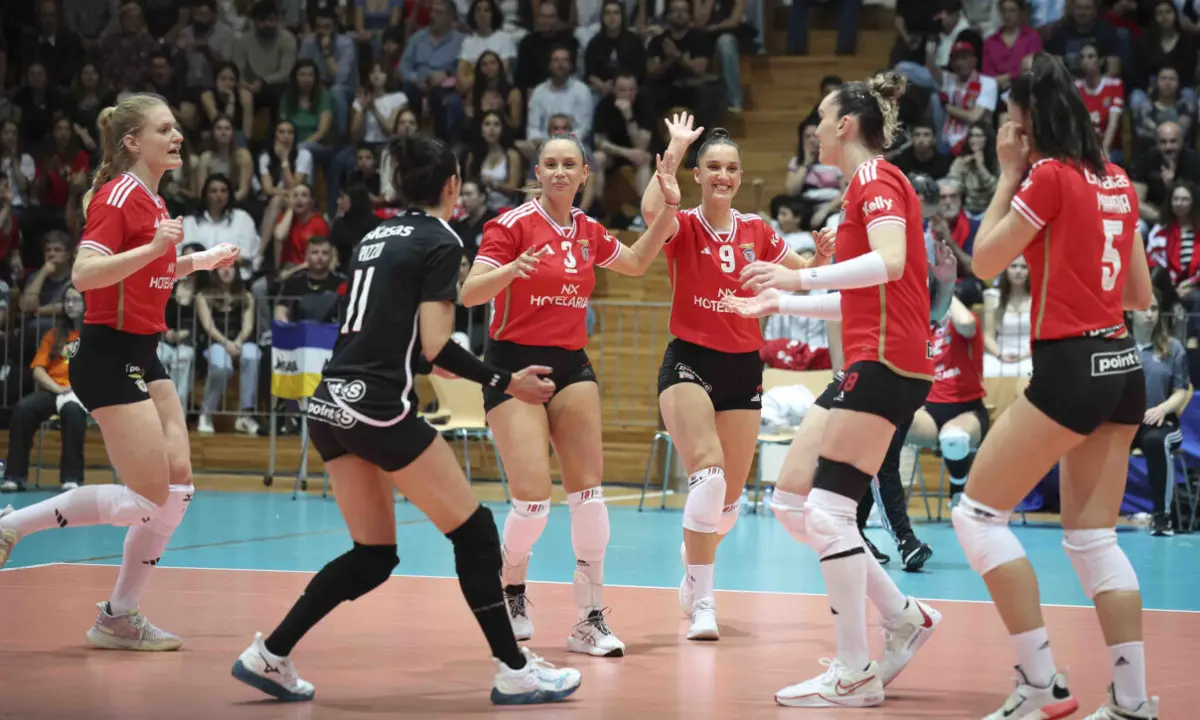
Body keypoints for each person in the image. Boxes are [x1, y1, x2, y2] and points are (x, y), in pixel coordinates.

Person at [230, 132, 582, 705]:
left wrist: (423, 356)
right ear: (452, 187)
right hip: (375, 406)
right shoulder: (442, 239)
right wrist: (504, 380)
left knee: (374, 555)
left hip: (329, 402)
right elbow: (440, 346)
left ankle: (269, 654)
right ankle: (514, 668)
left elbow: (393, 327)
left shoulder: (375, 234)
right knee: (473, 531)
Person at [950, 53, 1157, 720]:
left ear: (1028, 122)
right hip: (1123, 366)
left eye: (1011, 122)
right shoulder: (1119, 181)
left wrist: (1008, 174)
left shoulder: (1047, 175)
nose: (1008, 132)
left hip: (1070, 368)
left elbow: (982, 262)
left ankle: (1040, 683)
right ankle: (1130, 701)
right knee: (1095, 541)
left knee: (977, 517)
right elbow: (1140, 294)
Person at [0, 94, 239, 649]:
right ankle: (13, 523)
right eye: (164, 128)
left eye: (178, 126)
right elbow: (85, 275)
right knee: (150, 496)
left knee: (178, 488)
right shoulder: (119, 195)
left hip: (143, 352)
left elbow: (145, 270)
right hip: (107, 355)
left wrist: (196, 262)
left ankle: (118, 616)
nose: (177, 135)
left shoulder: (155, 200)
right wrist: (157, 246)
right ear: (132, 142)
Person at [731, 71, 938, 707]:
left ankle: (855, 670)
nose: (815, 130)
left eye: (820, 120)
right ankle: (901, 616)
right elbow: (862, 297)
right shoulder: (865, 186)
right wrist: (781, 298)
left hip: (886, 363)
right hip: (877, 357)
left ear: (845, 125)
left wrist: (797, 280)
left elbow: (891, 261)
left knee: (827, 511)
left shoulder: (875, 179)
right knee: (797, 503)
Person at [458, 132, 682, 657]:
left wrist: (670, 207)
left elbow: (633, 263)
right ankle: (511, 583)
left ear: (585, 174)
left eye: (570, 164)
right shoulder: (510, 225)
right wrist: (511, 270)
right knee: (534, 503)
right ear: (537, 173)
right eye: (550, 164)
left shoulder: (587, 230)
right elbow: (469, 293)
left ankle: (590, 619)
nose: (559, 172)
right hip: (513, 365)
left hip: (571, 365)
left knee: (589, 496)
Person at [638, 112, 834, 641]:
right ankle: (704, 600)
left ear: (740, 176)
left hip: (744, 365)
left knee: (726, 508)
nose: (723, 175)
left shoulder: (757, 230)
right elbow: (651, 210)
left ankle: (692, 558)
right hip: (688, 362)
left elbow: (796, 275)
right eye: (713, 167)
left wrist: (824, 258)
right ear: (698, 175)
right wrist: (676, 151)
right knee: (707, 473)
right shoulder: (682, 222)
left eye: (731, 168)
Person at [908, 295, 988, 510]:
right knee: (888, 421)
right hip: (930, 413)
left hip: (968, 410)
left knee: (953, 437)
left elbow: (966, 323)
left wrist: (946, 290)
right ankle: (879, 502)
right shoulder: (921, 329)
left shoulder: (961, 324)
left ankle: (958, 489)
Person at [1130, 289, 1191, 537]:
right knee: (1104, 441)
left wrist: (1161, 409)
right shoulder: (1118, 346)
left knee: (1157, 441)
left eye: (1154, 309)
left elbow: (1181, 391)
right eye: (1143, 308)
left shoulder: (1173, 348)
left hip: (1162, 423)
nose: (1149, 314)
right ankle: (1097, 517)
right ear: (1129, 312)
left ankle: (1162, 517)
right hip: (1126, 422)